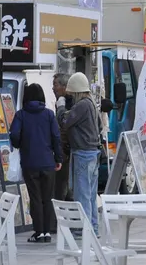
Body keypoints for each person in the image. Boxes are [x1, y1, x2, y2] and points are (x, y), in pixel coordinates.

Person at [10, 83, 62, 243]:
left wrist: (20, 144)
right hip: (48, 162)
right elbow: (56, 137)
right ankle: (47, 231)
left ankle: (38, 231)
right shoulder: (49, 115)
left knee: (35, 197)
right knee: (48, 197)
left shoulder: (21, 115)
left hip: (29, 162)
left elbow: (14, 135)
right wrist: (58, 158)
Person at [62, 72, 102, 232]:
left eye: (71, 94)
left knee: (82, 193)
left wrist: (60, 108)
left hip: (83, 153)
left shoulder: (81, 105)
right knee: (91, 194)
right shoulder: (92, 104)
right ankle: (93, 226)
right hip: (93, 153)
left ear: (76, 92)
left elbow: (64, 122)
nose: (70, 97)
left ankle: (83, 229)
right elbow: (99, 126)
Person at [52, 73, 72, 200]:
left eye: (55, 85)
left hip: (66, 151)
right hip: (63, 150)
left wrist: (62, 151)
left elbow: (65, 126)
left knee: (61, 186)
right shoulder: (61, 102)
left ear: (64, 87)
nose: (53, 88)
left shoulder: (67, 104)